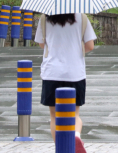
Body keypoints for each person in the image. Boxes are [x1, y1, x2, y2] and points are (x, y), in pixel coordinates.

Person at [35, 12, 96, 151]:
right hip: (75, 73)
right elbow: (90, 45)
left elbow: (41, 43)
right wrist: (75, 51)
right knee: (74, 114)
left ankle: (62, 148)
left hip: (52, 73)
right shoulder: (82, 17)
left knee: (54, 116)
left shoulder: (45, 18)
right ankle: (75, 136)